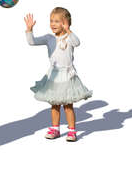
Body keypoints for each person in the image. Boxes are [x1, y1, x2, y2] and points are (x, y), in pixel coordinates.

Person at [24, 8, 92, 142]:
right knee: (54, 104)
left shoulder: (69, 37)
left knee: (68, 105)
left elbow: (77, 42)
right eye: (51, 21)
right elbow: (32, 42)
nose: (53, 24)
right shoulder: (49, 38)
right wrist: (29, 30)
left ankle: (72, 131)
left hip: (67, 75)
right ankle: (55, 128)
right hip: (54, 76)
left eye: (57, 21)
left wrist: (68, 31)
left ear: (66, 23)